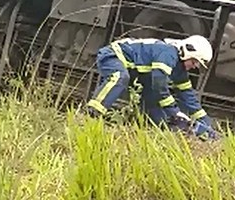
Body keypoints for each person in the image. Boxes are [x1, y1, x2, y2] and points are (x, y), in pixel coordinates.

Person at [84, 35, 218, 140]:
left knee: (155, 108)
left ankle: (145, 132)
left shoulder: (180, 70)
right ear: (186, 52)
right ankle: (91, 114)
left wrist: (207, 125)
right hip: (114, 55)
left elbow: (188, 96)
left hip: (135, 71)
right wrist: (175, 112)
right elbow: (159, 84)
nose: (195, 66)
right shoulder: (168, 53)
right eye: (194, 61)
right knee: (119, 77)